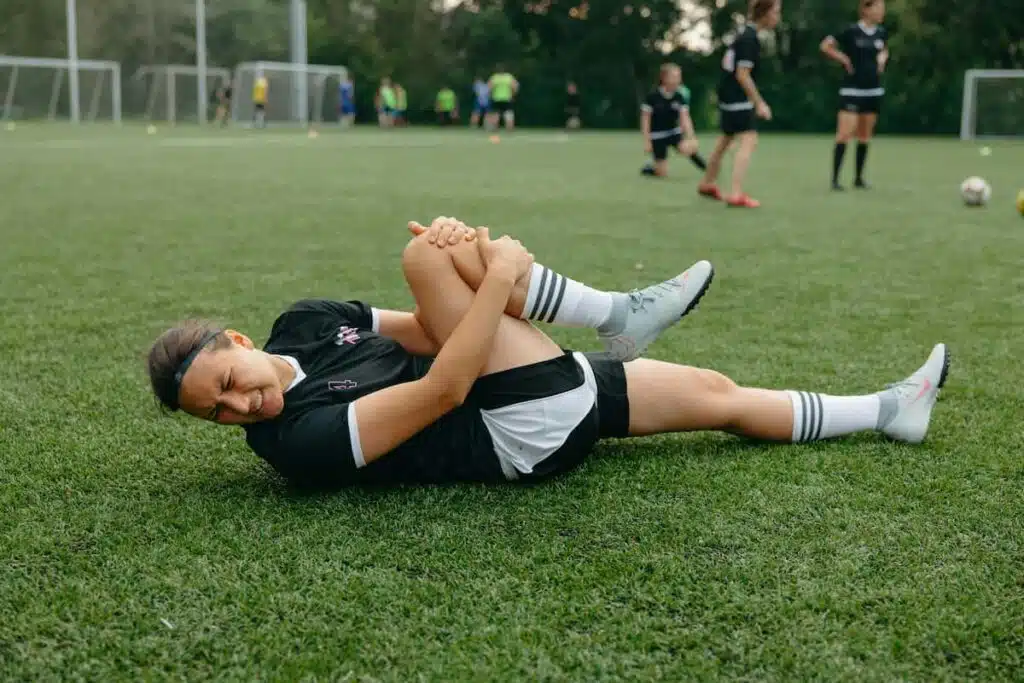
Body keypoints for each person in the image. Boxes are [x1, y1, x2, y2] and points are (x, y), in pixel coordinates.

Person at [148, 217, 950, 489]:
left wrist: (476, 273)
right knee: (429, 255)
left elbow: (433, 334)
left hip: (522, 384)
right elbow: (447, 385)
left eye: (228, 381)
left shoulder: (308, 321)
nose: (238, 407)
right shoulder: (295, 445)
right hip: (511, 431)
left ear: (242, 343)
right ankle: (613, 313)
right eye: (217, 414)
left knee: (716, 390)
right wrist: (491, 271)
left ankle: (890, 410)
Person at [698, 0, 781, 208]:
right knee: (749, 140)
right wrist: (759, 103)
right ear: (765, 14)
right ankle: (735, 194)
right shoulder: (749, 39)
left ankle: (707, 183)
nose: (778, 17)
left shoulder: (744, 33)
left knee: (725, 141)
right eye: (776, 12)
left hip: (727, 95)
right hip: (737, 97)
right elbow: (743, 75)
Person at [821, 0, 889, 191]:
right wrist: (843, 58)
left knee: (865, 135)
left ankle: (859, 178)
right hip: (852, 90)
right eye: (878, 8)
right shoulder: (851, 31)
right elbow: (826, 46)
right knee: (844, 133)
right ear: (866, 10)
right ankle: (835, 180)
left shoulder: (881, 33)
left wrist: (882, 59)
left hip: (873, 90)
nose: (881, 12)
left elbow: (884, 49)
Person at [641, 63, 707, 179]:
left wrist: (691, 137)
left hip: (673, 133)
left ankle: (708, 170)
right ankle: (649, 169)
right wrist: (647, 141)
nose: (678, 80)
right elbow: (645, 120)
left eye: (679, 77)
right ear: (664, 78)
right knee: (662, 174)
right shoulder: (652, 97)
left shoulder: (679, 97)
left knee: (688, 148)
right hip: (657, 136)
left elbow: (685, 118)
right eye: (674, 77)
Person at [486, 67, 519, 132]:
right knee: (508, 114)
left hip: (496, 98)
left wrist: (490, 95)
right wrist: (513, 95)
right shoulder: (509, 77)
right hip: (507, 98)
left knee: (496, 114)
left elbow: (489, 87)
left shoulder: (494, 77)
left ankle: (494, 129)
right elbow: (515, 86)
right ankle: (509, 129)